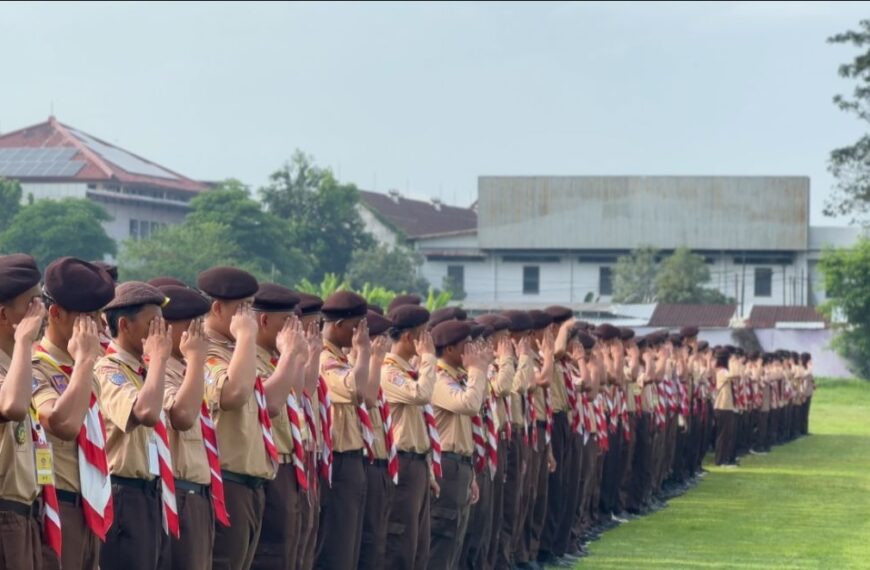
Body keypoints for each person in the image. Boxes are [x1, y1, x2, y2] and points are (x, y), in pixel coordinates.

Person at [33, 257, 114, 570]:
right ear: (55, 313)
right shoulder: (34, 366)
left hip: (90, 507)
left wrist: (83, 364)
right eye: (86, 316)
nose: (95, 326)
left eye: (97, 315)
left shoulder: (85, 368)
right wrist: (82, 362)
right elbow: (62, 422)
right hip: (58, 507)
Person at [197, 266, 274, 570]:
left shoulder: (237, 349)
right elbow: (233, 394)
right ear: (217, 308)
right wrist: (246, 338)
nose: (249, 318)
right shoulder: (205, 349)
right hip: (226, 482)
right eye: (241, 309)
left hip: (251, 483)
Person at [96, 282, 174, 570]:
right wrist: (160, 359)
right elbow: (145, 412)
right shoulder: (109, 369)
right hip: (124, 492)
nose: (161, 333)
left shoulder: (144, 371)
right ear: (125, 325)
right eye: (153, 324)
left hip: (150, 490)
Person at [156, 284, 222, 570]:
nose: (201, 334)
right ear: (167, 328)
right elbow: (182, 415)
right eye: (192, 326)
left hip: (199, 494)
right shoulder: (160, 369)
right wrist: (196, 358)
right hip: (179, 494)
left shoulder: (186, 370)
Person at [249, 284, 310, 570]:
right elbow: (270, 403)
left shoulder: (276, 359)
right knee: (270, 556)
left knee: (290, 554)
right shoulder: (248, 358)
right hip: (268, 468)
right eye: (287, 324)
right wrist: (289, 356)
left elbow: (295, 396)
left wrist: (296, 356)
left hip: (290, 465)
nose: (293, 332)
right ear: (263, 321)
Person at [315, 291, 372, 570]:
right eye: (356, 327)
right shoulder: (323, 358)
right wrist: (364, 351)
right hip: (336, 461)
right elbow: (357, 391)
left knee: (351, 546)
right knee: (336, 547)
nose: (360, 334)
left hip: (352, 457)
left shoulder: (341, 358)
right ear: (338, 325)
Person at [427, 320, 490, 570]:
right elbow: (469, 405)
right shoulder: (439, 379)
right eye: (467, 345)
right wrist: (477, 371)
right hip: (446, 466)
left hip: (460, 465)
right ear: (451, 350)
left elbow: (477, 408)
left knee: (455, 540)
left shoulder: (459, 378)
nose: (473, 351)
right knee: (441, 540)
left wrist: (471, 473)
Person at [382, 305, 437, 570]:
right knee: (400, 542)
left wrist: (430, 473)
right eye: (423, 334)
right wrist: (428, 359)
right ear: (408, 337)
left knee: (419, 545)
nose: (428, 341)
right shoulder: (389, 371)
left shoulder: (407, 371)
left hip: (418, 463)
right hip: (402, 464)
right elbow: (420, 394)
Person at [0, 254, 45, 570]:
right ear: (4, 315)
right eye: (32, 306)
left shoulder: (17, 364)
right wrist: (25, 339)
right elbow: (12, 406)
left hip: (25, 514)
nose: (40, 314)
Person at [358, 310, 394, 570]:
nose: (385, 345)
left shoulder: (374, 367)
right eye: (380, 339)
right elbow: (368, 399)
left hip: (382, 462)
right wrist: (375, 359)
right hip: (364, 461)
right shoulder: (362, 367)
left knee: (378, 538)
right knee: (364, 539)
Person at [713, 349, 738, 467]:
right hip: (722, 406)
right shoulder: (722, 371)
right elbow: (735, 374)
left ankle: (724, 458)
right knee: (722, 435)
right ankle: (720, 459)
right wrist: (733, 363)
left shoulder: (722, 371)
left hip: (726, 406)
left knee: (726, 434)